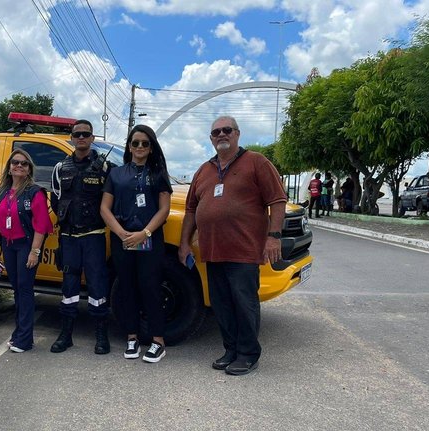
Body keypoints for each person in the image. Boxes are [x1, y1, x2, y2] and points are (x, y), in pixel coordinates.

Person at [178, 116, 285, 376]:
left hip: (244, 251)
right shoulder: (203, 170)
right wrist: (184, 244)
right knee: (221, 304)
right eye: (216, 132)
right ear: (211, 138)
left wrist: (273, 237)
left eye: (227, 130)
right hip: (213, 251)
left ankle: (248, 354)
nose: (221, 135)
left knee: (244, 303)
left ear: (237, 133)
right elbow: (191, 210)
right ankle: (231, 349)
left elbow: (277, 200)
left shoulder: (257, 162)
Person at [100, 124, 171, 363]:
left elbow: (164, 209)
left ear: (151, 148)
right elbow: (105, 208)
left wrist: (145, 232)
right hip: (123, 239)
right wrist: (121, 233)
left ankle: (158, 341)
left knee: (150, 287)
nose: (140, 147)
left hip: (149, 239)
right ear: (129, 146)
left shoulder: (159, 173)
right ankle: (132, 337)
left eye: (145, 143)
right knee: (126, 287)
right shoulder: (116, 174)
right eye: (135, 142)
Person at [49, 119, 113, 355]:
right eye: (77, 134)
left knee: (97, 286)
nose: (81, 138)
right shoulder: (60, 168)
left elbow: (110, 200)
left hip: (94, 236)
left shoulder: (104, 167)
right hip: (68, 238)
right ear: (72, 138)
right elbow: (55, 200)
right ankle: (66, 335)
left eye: (86, 134)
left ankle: (101, 335)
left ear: (92, 138)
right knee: (69, 287)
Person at [0, 149, 53, 352]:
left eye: (24, 163)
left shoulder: (35, 192)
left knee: (25, 289)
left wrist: (35, 252)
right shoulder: (1, 193)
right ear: (9, 168)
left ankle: (24, 339)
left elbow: (41, 225)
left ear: (29, 169)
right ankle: (19, 333)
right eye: (15, 162)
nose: (19, 166)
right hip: (8, 246)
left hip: (26, 246)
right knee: (17, 289)